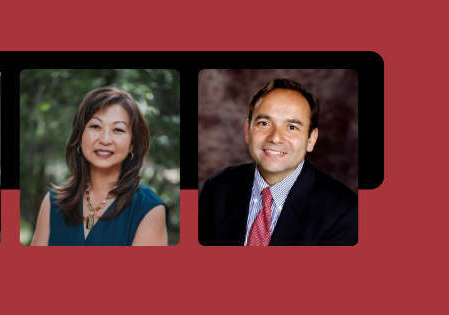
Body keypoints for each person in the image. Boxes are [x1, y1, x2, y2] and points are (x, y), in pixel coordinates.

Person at [198, 78, 358, 246]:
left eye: (291, 127)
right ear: (248, 130)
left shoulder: (344, 212)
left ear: (311, 139)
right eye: (264, 123)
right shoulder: (217, 188)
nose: (275, 138)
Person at [31, 87, 168, 246]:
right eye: (95, 126)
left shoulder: (149, 210)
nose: (105, 139)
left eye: (118, 129)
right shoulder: (53, 202)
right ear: (80, 136)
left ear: (132, 144)